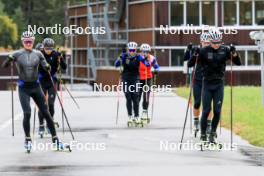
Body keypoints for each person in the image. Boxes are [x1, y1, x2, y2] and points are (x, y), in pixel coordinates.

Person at [1, 31, 63, 150]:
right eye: (26, 41)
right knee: (27, 113)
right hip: (24, 88)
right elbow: (4, 66)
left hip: (36, 87)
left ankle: (55, 140)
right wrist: (8, 60)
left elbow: (45, 64)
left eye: (30, 41)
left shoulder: (38, 54)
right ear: (23, 42)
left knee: (46, 113)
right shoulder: (17, 54)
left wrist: (47, 67)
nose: (28, 43)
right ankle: (28, 140)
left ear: (33, 42)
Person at [192, 28, 241, 143]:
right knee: (206, 110)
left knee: (217, 111)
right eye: (213, 43)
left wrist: (234, 53)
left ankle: (212, 132)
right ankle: (203, 133)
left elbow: (238, 63)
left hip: (219, 84)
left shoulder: (225, 50)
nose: (216, 45)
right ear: (210, 41)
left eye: (218, 42)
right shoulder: (204, 51)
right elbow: (190, 63)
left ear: (221, 41)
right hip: (207, 84)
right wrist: (194, 54)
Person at [184, 33, 213, 135]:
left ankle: (208, 125)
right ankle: (196, 121)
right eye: (204, 42)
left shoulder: (212, 51)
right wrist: (188, 50)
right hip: (197, 80)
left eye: (208, 42)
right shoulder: (197, 50)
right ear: (201, 42)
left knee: (208, 105)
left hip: (208, 81)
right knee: (197, 102)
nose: (206, 44)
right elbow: (186, 59)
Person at [37, 38, 67, 136]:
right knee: (42, 104)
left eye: (50, 48)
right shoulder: (39, 54)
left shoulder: (55, 55)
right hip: (42, 80)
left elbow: (64, 67)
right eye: (46, 48)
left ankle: (49, 124)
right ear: (43, 48)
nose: (48, 50)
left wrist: (61, 58)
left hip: (52, 81)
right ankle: (41, 125)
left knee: (50, 104)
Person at [115, 42, 144, 125]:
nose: (131, 51)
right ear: (128, 50)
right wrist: (119, 59)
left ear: (135, 50)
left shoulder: (138, 57)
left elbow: (146, 64)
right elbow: (116, 65)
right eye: (130, 50)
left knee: (135, 96)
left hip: (135, 78)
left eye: (133, 50)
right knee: (128, 96)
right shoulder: (124, 56)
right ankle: (130, 116)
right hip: (126, 78)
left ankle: (137, 116)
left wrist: (145, 61)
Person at [138, 43, 159, 122]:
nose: (145, 53)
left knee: (146, 96)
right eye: (143, 52)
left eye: (147, 52)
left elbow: (157, 67)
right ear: (141, 51)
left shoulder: (152, 58)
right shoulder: (138, 58)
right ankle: (135, 113)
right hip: (139, 79)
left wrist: (156, 70)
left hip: (148, 78)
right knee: (137, 96)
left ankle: (144, 112)